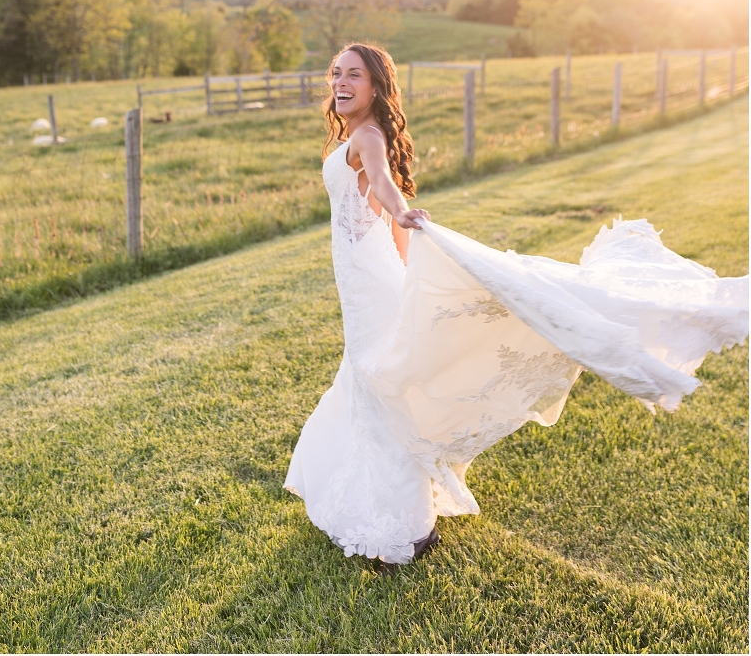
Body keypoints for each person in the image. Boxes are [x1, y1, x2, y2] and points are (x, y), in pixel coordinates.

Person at [284, 44, 748, 567]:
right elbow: (376, 209)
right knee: (372, 381)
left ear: (375, 87)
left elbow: (388, 191)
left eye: (354, 75)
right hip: (366, 280)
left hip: (371, 283)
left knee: (382, 384)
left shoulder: (367, 137)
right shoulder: (357, 136)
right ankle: (376, 505)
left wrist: (406, 215)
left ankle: (407, 528)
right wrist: (412, 266)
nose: (340, 83)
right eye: (336, 74)